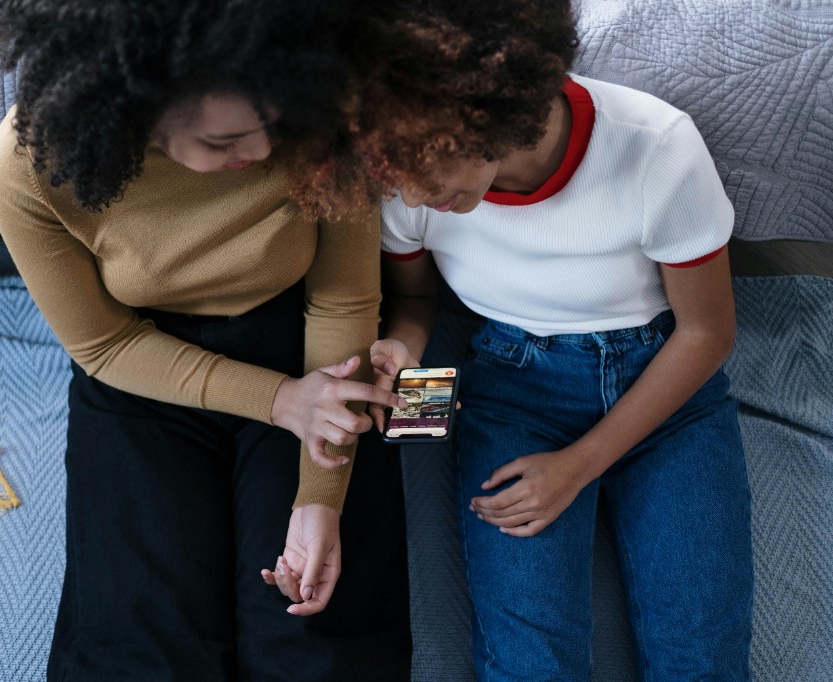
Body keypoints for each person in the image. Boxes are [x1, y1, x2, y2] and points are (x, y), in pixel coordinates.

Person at [306, 0, 753, 679]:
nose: (413, 196)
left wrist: (579, 465)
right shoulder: (402, 185)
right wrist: (402, 345)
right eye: (393, 172)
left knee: (702, 656)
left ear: (488, 109)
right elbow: (418, 298)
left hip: (668, 387)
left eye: (425, 166)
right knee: (529, 662)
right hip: (515, 392)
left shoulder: (656, 146)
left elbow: (707, 333)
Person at [0, 1, 412, 680]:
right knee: (140, 647)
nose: (264, 153)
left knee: (315, 637)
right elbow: (103, 347)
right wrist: (279, 402)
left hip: (306, 340)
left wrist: (320, 498)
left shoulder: (326, 101)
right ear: (138, 110)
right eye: (225, 141)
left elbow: (344, 300)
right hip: (144, 363)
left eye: (274, 124)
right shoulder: (29, 164)